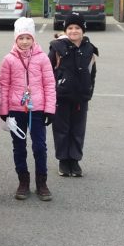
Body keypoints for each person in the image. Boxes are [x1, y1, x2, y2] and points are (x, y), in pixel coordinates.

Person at [0, 17, 56, 201]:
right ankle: (23, 181)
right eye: (21, 38)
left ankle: (42, 182)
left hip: (37, 109)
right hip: (16, 110)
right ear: (16, 39)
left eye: (28, 38)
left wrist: (50, 109)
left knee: (40, 146)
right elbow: (4, 85)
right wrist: (4, 110)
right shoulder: (9, 59)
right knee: (19, 147)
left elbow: (49, 84)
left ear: (33, 38)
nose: (24, 42)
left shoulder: (42, 58)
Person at [48, 13, 98, 177]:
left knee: (78, 129)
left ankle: (74, 160)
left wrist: (89, 91)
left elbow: (92, 72)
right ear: (65, 30)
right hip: (61, 97)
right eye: (70, 28)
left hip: (81, 98)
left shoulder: (89, 49)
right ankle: (63, 160)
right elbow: (48, 72)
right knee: (61, 129)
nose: (74, 31)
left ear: (83, 30)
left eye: (77, 28)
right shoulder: (57, 48)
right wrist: (52, 93)